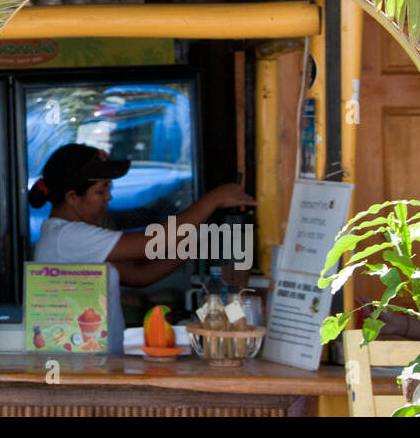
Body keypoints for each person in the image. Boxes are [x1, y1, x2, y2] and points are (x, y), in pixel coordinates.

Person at [30, 142, 255, 354]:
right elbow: (151, 243)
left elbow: (140, 274)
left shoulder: (72, 239)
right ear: (72, 197)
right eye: (101, 190)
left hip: (95, 362)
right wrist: (214, 199)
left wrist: (195, 244)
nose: (109, 197)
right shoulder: (67, 237)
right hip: (80, 367)